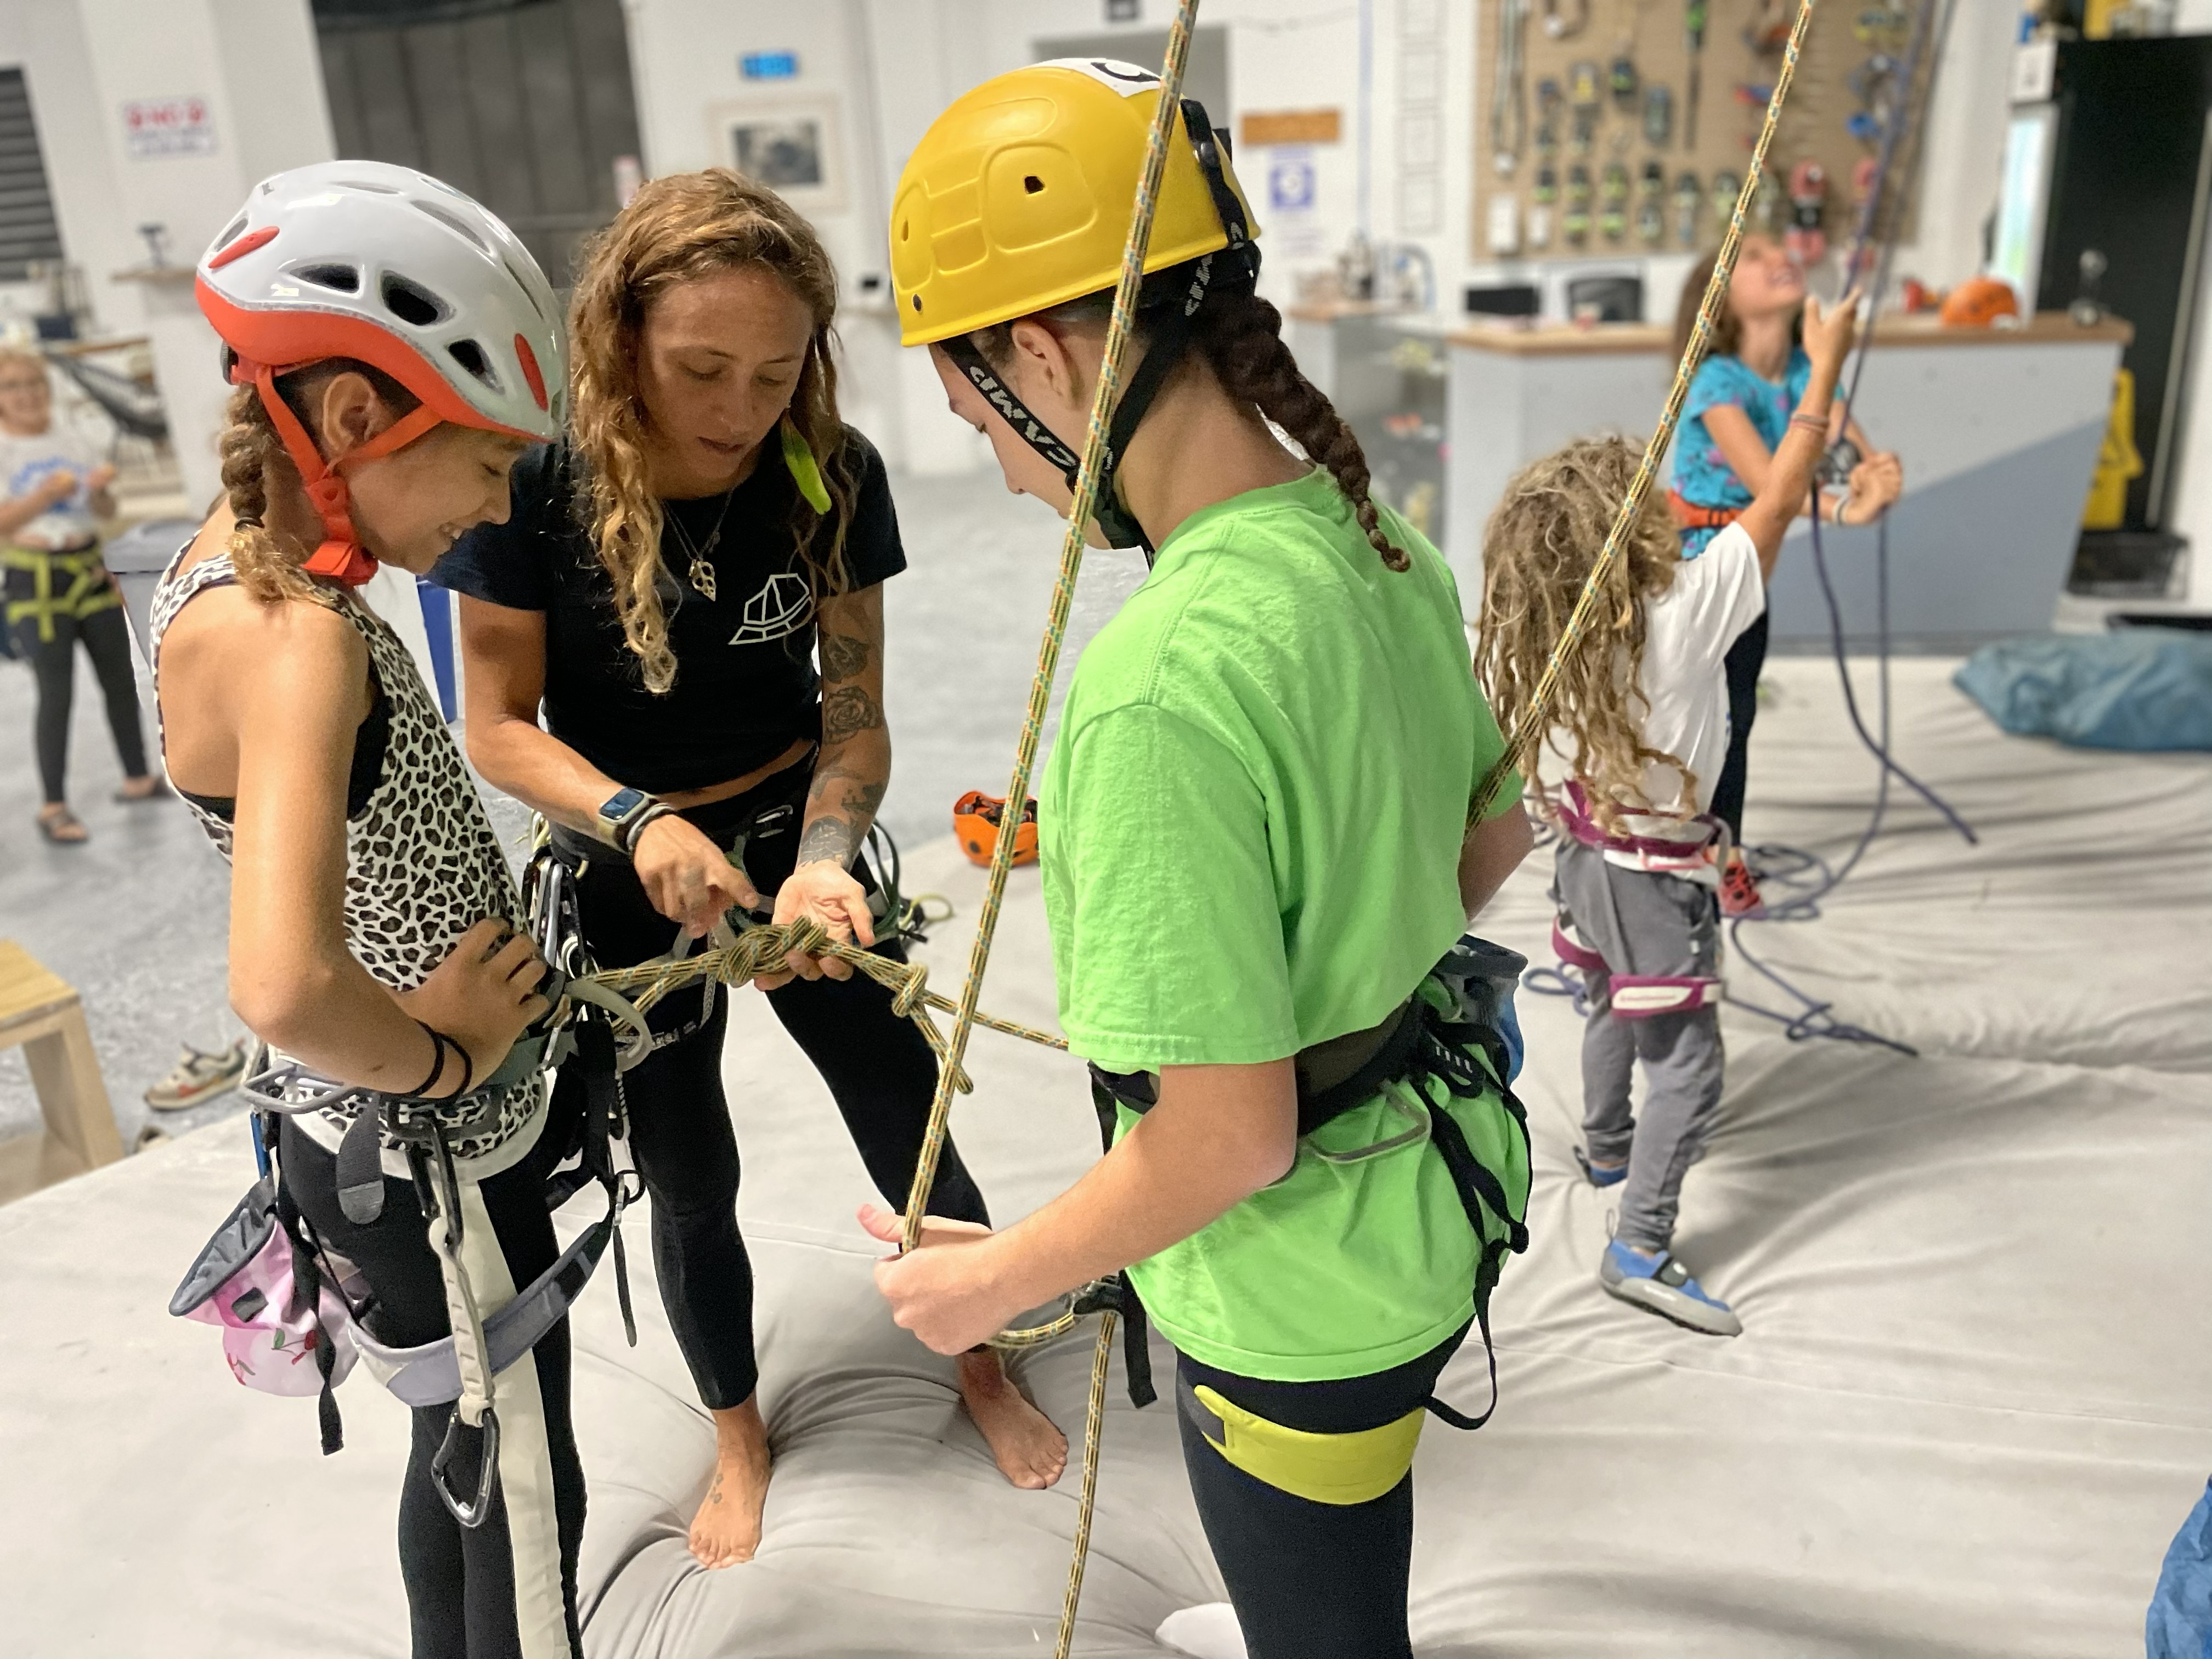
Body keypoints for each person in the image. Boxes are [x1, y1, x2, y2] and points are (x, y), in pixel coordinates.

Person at [866, 62, 1537, 1659]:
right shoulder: (1377, 539)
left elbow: (1225, 1142)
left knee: (1325, 1622)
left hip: (1298, 1288)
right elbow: (1491, 838)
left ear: (1043, 352)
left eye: (984, 420)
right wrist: (1344, 959)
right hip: (1432, 1192)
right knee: (1334, 1553)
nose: (1016, 476)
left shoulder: (1159, 689)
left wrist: (997, 1289)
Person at [438, 167, 1064, 1572]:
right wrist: (640, 819)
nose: (737, 407)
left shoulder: (826, 472)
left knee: (903, 1106)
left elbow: (855, 717)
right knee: (687, 1163)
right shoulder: (536, 486)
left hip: (796, 836)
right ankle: (737, 1430)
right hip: (623, 859)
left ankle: (976, 1364)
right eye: (700, 369)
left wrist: (830, 859)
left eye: (775, 373)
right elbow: (495, 726)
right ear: (621, 345)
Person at [151, 161, 583, 1658]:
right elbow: (280, 985)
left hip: (355, 1149)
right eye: (480, 461)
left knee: (451, 1449)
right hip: (422, 1151)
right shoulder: (298, 643)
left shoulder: (220, 577)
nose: (496, 501)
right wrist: (453, 1051)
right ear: (349, 423)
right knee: (525, 1481)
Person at [1477, 287, 1891, 1340]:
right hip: (1653, 878)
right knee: (1690, 1060)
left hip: (1583, 859)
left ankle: (1607, 1142)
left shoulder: (1564, 638)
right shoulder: (1685, 612)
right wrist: (1826, 362)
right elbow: (1780, 498)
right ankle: (1640, 1241)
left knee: (1614, 1002)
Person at [1667, 237, 1905, 913]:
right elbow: (1772, 489)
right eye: (1752, 256)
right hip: (1697, 571)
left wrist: (1874, 477)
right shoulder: (1715, 383)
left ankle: (1723, 849)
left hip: (1750, 575)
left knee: (1736, 715)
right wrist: (1844, 508)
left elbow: (1849, 448)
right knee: (1696, 715)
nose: (1778, 258)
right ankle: (1688, 849)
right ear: (1719, 297)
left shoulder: (1803, 371)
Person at [0, 341, 162, 842]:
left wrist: (98, 492)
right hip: (38, 583)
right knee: (57, 692)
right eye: (12, 386)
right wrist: (44, 496)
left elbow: (106, 513)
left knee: (118, 680)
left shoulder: (72, 438)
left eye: (33, 383)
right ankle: (53, 805)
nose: (26, 395)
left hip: (88, 570)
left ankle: (136, 778)